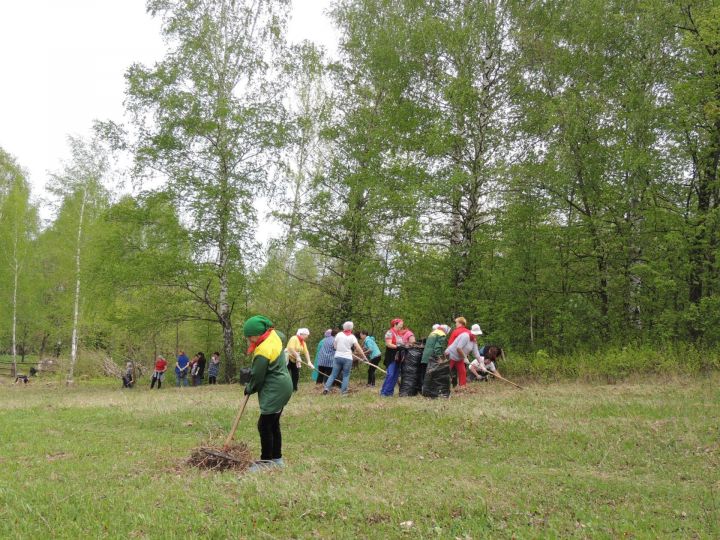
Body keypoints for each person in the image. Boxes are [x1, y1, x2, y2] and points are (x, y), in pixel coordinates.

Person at [243, 315, 293, 472]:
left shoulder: (263, 351)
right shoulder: (274, 336)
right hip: (285, 385)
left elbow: (257, 376)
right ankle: (277, 459)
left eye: (250, 336)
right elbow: (282, 334)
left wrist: (249, 387)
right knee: (273, 423)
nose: (249, 340)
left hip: (275, 389)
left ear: (257, 334)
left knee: (264, 425)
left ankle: (266, 461)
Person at [323, 321, 368, 395]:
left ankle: (326, 388)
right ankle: (343, 392)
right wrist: (364, 357)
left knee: (333, 374)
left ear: (344, 327)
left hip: (338, 357)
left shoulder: (339, 334)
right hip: (347, 358)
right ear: (351, 328)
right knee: (346, 375)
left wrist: (339, 349)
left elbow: (334, 346)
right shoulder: (352, 337)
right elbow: (358, 348)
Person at [380, 318, 416, 397]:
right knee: (390, 374)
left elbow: (404, 342)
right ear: (395, 324)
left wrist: (406, 346)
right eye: (400, 324)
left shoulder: (399, 333)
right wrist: (398, 347)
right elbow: (388, 344)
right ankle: (384, 392)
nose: (402, 326)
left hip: (398, 356)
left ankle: (389, 392)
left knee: (395, 375)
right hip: (391, 356)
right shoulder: (389, 332)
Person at [444, 323, 483, 389]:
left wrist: (481, 364)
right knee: (446, 371)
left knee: (463, 371)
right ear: (472, 332)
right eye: (475, 334)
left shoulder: (474, 341)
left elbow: (476, 353)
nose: (476, 335)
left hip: (459, 358)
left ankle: (462, 387)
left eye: (477, 334)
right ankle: (443, 387)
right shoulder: (465, 336)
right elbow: (458, 348)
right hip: (451, 355)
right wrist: (465, 358)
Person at [420, 324, 449, 392]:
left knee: (424, 373)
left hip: (425, 356)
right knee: (432, 374)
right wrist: (439, 358)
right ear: (445, 330)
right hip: (432, 357)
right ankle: (429, 390)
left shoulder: (433, 333)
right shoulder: (442, 335)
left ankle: (423, 389)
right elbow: (437, 348)